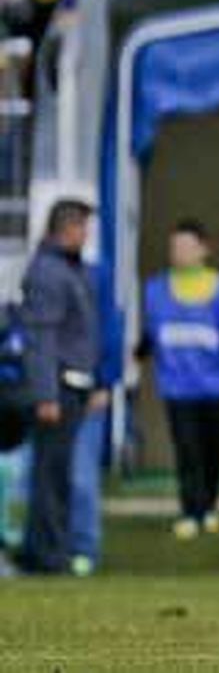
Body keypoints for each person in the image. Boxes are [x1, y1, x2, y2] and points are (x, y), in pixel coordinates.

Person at [137, 220, 219, 539]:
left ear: (204, 249)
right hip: (176, 386)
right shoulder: (156, 289)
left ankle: (210, 507)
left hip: (213, 385)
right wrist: (137, 355)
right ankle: (189, 511)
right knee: (186, 450)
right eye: (175, 247)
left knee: (212, 449)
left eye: (186, 246)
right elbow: (150, 333)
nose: (179, 252)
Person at [17, 199, 97, 576]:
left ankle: (47, 550)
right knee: (51, 475)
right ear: (66, 228)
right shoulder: (49, 272)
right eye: (82, 227)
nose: (86, 235)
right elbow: (42, 338)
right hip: (59, 387)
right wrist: (46, 394)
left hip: (72, 384)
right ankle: (47, 556)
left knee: (57, 473)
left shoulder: (67, 267)